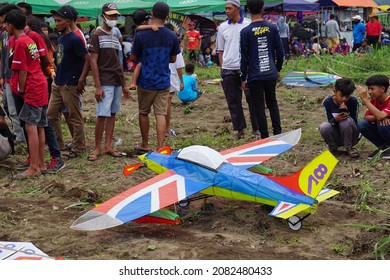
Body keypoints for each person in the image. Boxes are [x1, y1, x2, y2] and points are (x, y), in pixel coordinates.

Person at [130, 2, 181, 151]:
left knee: (144, 113)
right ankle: (160, 147)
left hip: (145, 80)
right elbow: (173, 59)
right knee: (160, 114)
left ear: (152, 14)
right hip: (163, 80)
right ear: (167, 16)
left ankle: (145, 144)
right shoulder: (171, 35)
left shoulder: (141, 35)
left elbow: (133, 57)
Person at [5, 10, 48, 178]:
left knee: (30, 127)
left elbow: (22, 70)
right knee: (39, 126)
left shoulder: (21, 42)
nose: (4, 27)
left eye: (5, 24)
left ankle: (34, 167)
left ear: (10, 25)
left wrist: (21, 89)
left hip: (32, 87)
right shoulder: (29, 39)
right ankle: (41, 164)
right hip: (40, 84)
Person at [87, 3, 131, 161]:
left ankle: (108, 146)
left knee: (112, 114)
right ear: (104, 16)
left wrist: (124, 84)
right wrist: (97, 86)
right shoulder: (96, 35)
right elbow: (93, 62)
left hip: (116, 80)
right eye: (111, 15)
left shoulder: (115, 35)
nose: (114, 18)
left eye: (115, 15)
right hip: (105, 80)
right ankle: (97, 147)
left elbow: (119, 62)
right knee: (102, 115)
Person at [47, 5, 90, 158]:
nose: (56, 23)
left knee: (74, 116)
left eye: (59, 21)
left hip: (70, 84)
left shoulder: (75, 39)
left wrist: (81, 79)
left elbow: (87, 59)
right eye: (55, 20)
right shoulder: (61, 39)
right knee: (51, 114)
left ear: (68, 21)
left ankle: (78, 147)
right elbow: (59, 60)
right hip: (58, 83)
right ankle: (59, 144)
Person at [240, 0, 284, 139]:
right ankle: (278, 133)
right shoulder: (272, 28)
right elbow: (280, 52)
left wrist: (243, 77)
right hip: (270, 73)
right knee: (272, 102)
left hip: (254, 75)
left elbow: (244, 58)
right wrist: (277, 69)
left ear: (247, 9)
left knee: (258, 105)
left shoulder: (245, 32)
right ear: (263, 8)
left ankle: (264, 137)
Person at [217, 0, 251, 140]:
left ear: (237, 8)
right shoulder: (222, 27)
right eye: (225, 9)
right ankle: (239, 130)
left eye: (229, 8)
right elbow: (220, 50)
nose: (227, 11)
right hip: (229, 68)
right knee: (233, 101)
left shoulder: (248, 24)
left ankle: (256, 129)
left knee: (252, 99)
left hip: (246, 68)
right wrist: (222, 66)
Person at [0, 4, 25, 144]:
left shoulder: (21, 37)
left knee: (14, 108)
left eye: (4, 19)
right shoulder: (5, 35)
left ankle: (19, 134)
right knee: (7, 105)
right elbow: (3, 57)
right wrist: (2, 75)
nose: (3, 23)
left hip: (16, 76)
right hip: (7, 76)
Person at [319, 78, 360, 158]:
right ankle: (333, 148)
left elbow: (354, 121)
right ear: (335, 91)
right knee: (323, 126)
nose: (344, 99)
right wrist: (335, 120)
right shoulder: (328, 102)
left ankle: (349, 148)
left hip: (351, 134)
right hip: (336, 133)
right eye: (341, 95)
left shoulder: (353, 101)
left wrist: (345, 111)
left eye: (347, 96)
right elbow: (330, 121)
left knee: (345, 121)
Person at [357, 75, 390, 160]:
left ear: (382, 89)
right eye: (369, 89)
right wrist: (379, 116)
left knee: (382, 123)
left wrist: (365, 99)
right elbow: (366, 117)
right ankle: (383, 147)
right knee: (361, 124)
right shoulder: (374, 101)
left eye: (372, 89)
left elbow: (380, 116)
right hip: (382, 127)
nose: (369, 92)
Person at [165, 22, 184, 137]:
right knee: (167, 103)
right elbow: (179, 67)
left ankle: (163, 128)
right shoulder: (174, 45)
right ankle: (166, 129)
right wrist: (181, 81)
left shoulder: (158, 42)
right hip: (170, 77)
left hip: (157, 76)